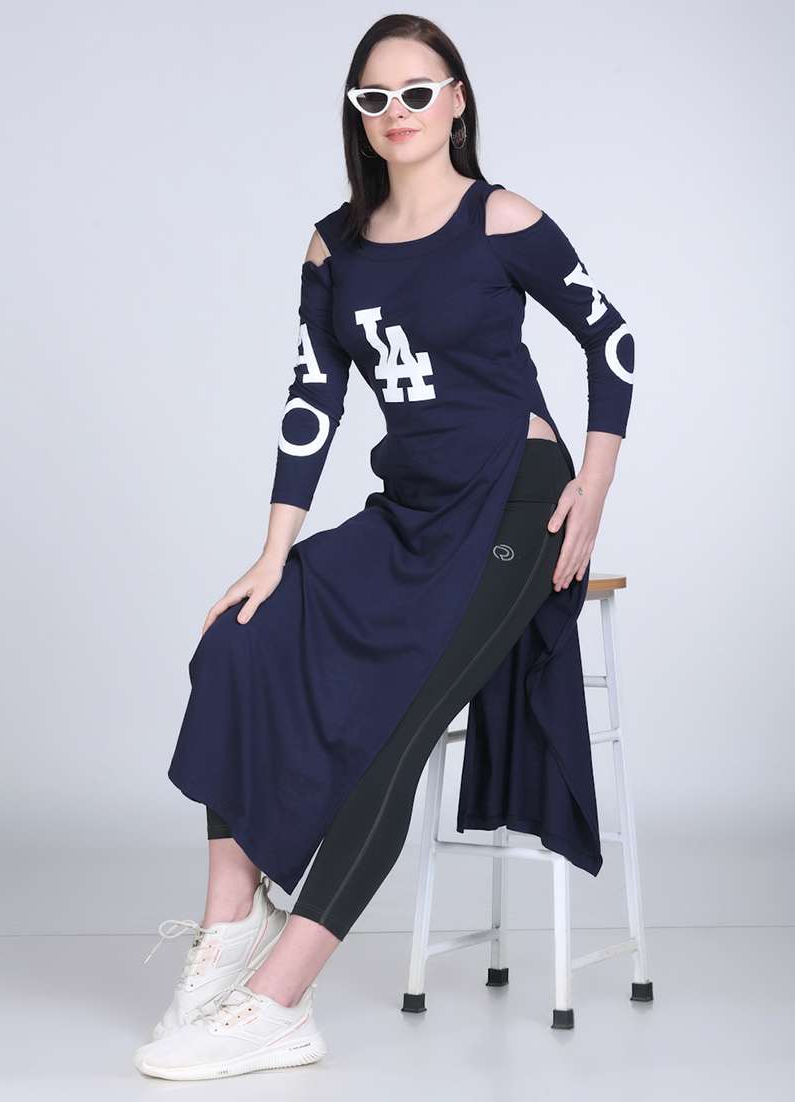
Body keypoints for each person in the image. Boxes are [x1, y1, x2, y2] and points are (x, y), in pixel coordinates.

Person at [134, 12, 635, 1082]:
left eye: (416, 91)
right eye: (374, 97)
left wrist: (592, 488)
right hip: (408, 507)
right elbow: (311, 398)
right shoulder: (334, 244)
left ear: (456, 99)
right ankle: (231, 927)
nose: (395, 112)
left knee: (395, 730)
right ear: (356, 116)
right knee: (240, 640)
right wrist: (275, 550)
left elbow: (614, 341)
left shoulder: (502, 218)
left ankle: (280, 1006)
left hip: (514, 505)